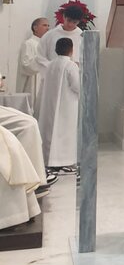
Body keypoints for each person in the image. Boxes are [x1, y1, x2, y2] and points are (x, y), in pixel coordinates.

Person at [37, 38, 80, 172]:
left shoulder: (50, 64)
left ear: (56, 49)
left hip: (51, 104)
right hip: (66, 106)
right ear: (71, 50)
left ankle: (49, 160)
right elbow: (77, 86)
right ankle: (65, 161)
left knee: (51, 130)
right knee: (65, 132)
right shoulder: (71, 65)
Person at [16, 16, 49, 111]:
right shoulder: (28, 43)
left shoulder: (46, 44)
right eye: (44, 25)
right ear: (35, 28)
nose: (47, 28)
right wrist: (41, 60)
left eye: (48, 26)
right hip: (31, 85)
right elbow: (26, 65)